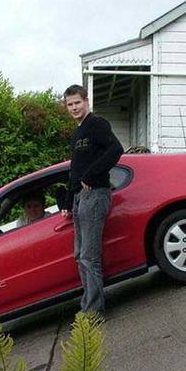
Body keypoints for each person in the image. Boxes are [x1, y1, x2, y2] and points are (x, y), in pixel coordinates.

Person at [60, 84, 123, 315]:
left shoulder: (96, 124)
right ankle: (88, 306)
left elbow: (116, 149)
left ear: (86, 101)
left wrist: (92, 174)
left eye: (77, 102)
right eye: (70, 104)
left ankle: (93, 312)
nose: (74, 107)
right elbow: (74, 171)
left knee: (89, 256)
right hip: (79, 199)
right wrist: (67, 202)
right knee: (80, 256)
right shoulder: (77, 133)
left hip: (95, 195)